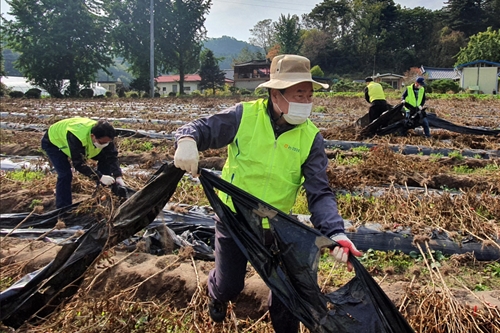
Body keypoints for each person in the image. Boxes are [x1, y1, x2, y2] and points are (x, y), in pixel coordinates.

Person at [173, 54, 362, 332]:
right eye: (299, 94)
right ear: (276, 94)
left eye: (310, 96)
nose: (306, 102)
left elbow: (319, 192)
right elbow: (200, 128)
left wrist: (335, 232)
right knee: (230, 285)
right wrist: (187, 140)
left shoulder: (310, 137)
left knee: (288, 296)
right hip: (234, 220)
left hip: (275, 226)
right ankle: (217, 295)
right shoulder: (244, 116)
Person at [41, 117, 125, 209]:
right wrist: (100, 176)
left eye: (108, 142)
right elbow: (79, 164)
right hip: (54, 142)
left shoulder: (105, 136)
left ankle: (102, 194)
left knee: (106, 157)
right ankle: (63, 209)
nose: (106, 144)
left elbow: (112, 157)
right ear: (93, 136)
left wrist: (118, 176)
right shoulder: (77, 136)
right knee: (65, 174)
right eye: (102, 142)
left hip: (81, 144)